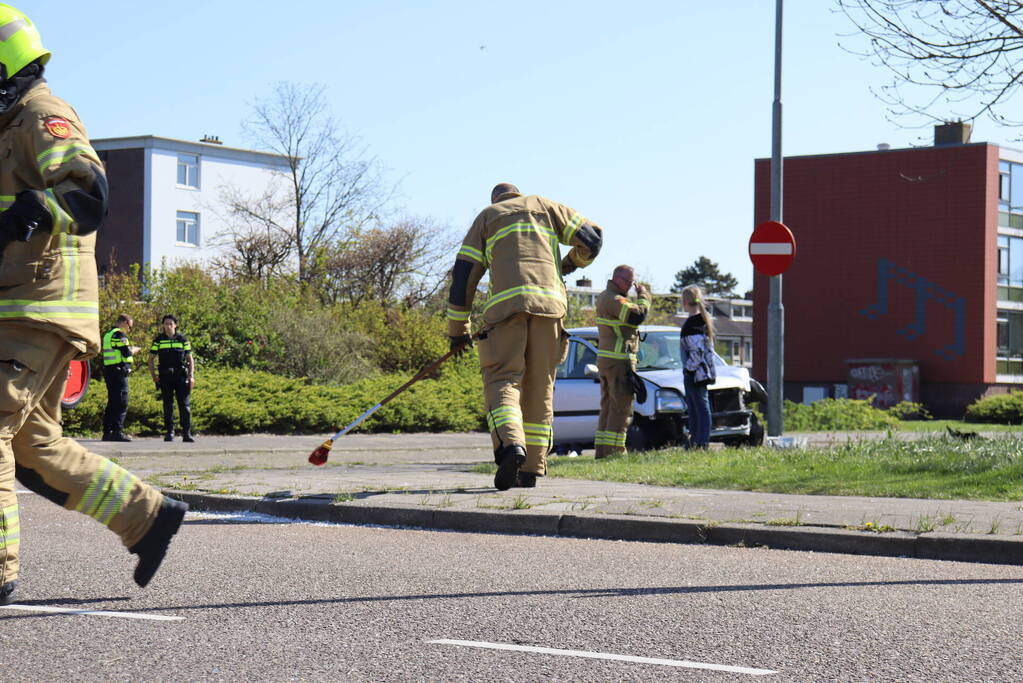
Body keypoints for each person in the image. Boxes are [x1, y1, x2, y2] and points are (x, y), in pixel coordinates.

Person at [0, 4, 187, 606]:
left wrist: (32, 211)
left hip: (38, 304)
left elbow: (89, 192)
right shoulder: (8, 126)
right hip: (22, 304)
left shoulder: (41, 115)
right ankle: (147, 517)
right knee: (35, 447)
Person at [447, 183, 603, 490]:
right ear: (518, 195)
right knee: (540, 387)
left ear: (496, 199)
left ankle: (511, 446)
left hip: (506, 313)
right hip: (550, 312)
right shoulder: (546, 207)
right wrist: (570, 263)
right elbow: (594, 239)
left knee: (503, 381)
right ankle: (531, 468)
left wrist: (457, 331)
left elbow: (463, 278)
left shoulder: (487, 217)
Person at [594, 265, 649, 458]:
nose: (631, 285)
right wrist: (644, 296)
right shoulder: (614, 299)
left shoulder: (606, 297)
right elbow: (637, 315)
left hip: (609, 361)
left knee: (609, 408)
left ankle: (602, 452)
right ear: (616, 279)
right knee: (621, 410)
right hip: (619, 363)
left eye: (633, 282)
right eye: (628, 281)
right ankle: (615, 453)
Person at [679, 285, 716, 448]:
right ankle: (697, 441)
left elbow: (696, 352)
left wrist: (688, 369)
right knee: (698, 408)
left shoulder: (692, 325)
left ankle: (700, 442)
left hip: (695, 373)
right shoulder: (703, 321)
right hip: (703, 372)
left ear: (685, 302)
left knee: (699, 408)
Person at [148, 314, 195, 442]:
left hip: (180, 376)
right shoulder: (158, 340)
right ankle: (170, 432)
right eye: (166, 323)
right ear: (163, 325)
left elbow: (190, 359)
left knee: (184, 406)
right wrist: (154, 376)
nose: (168, 326)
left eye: (170, 323)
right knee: (168, 405)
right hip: (165, 377)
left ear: (175, 325)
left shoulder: (182, 339)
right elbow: (151, 359)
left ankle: (187, 433)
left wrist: (191, 376)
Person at [101, 314, 139, 442]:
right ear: (124, 323)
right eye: (130, 327)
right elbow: (126, 353)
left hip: (109, 371)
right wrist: (133, 350)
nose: (129, 330)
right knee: (122, 402)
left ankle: (107, 432)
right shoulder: (119, 335)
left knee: (112, 402)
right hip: (119, 373)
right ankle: (117, 431)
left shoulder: (107, 334)